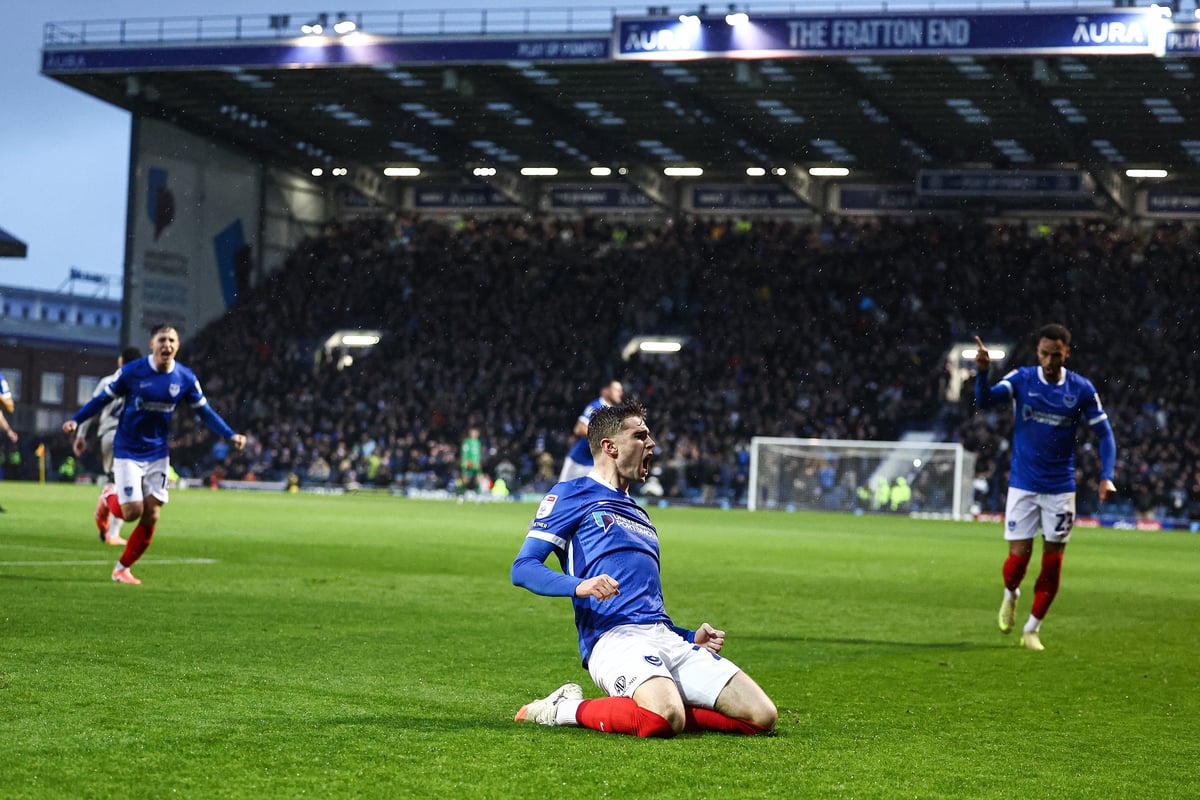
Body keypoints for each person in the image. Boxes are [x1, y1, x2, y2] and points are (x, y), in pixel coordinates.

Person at [511, 399, 777, 738]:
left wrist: (688, 636)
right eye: (640, 436)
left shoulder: (639, 514)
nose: (652, 444)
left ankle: (661, 702)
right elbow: (523, 567)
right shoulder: (571, 495)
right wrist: (579, 585)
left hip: (665, 638)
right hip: (613, 639)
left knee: (761, 716)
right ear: (610, 447)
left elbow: (645, 602)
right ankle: (561, 708)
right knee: (661, 720)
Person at [62, 325, 247, 585]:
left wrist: (230, 435)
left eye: (172, 340)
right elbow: (101, 399)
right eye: (162, 340)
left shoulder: (184, 377)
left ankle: (122, 569)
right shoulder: (133, 372)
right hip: (127, 450)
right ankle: (108, 496)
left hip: (158, 454)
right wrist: (76, 420)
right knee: (131, 512)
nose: (167, 345)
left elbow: (205, 412)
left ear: (178, 346)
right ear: (152, 344)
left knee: (152, 514)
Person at [974, 325, 1116, 651]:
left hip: (1060, 489)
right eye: (1043, 353)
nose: (1049, 360)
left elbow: (1105, 435)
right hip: (1023, 485)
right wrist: (983, 372)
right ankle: (1011, 594)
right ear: (1037, 352)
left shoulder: (1081, 389)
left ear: (1067, 352)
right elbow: (984, 400)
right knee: (1017, 564)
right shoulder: (1022, 379)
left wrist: (1107, 475)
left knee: (1052, 564)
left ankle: (1032, 628)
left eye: (1056, 354)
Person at [74, 347, 143, 545]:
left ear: (121, 361)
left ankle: (110, 530)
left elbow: (92, 406)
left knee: (119, 481)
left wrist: (81, 435)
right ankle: (112, 531)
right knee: (125, 485)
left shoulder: (107, 381)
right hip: (127, 437)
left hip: (108, 435)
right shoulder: (140, 383)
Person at [558, 380, 623, 482]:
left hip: (596, 465)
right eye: (616, 390)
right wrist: (603, 438)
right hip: (578, 462)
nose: (620, 393)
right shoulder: (597, 405)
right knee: (562, 495)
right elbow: (579, 428)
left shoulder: (614, 413)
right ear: (606, 391)